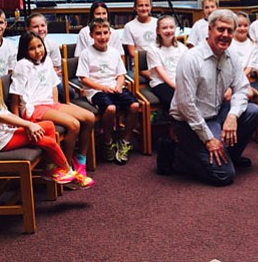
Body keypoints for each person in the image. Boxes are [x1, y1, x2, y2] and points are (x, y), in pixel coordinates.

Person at [159, 9, 258, 186]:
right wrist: (208, 139)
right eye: (221, 29)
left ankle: (229, 156)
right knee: (224, 175)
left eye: (230, 31)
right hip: (188, 123)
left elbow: (242, 89)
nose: (225, 35)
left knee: (254, 112)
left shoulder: (232, 57)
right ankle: (176, 154)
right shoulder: (191, 58)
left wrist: (232, 116)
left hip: (215, 114)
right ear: (209, 30)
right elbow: (186, 106)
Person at [0, 60, 77, 185]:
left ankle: (50, 168)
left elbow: (6, 114)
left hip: (4, 133)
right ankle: (68, 172)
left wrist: (25, 124)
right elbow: (1, 117)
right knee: (49, 142)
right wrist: (27, 124)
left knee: (48, 125)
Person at [10, 31, 95, 188]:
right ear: (24, 50)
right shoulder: (22, 65)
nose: (37, 51)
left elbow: (53, 86)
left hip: (50, 104)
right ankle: (66, 168)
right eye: (32, 48)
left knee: (89, 117)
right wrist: (18, 122)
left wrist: (58, 108)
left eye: (39, 46)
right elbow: (15, 96)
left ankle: (80, 160)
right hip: (34, 108)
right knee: (74, 124)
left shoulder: (47, 61)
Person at [77, 18, 141, 165]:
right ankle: (108, 141)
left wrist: (119, 86)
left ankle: (125, 141)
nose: (102, 36)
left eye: (105, 33)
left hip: (114, 87)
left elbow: (121, 75)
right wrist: (103, 88)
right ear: (91, 35)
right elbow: (83, 79)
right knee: (110, 108)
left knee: (135, 106)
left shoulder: (114, 52)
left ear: (110, 34)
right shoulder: (86, 54)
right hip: (96, 90)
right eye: (98, 33)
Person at [147, 14, 187, 114]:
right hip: (161, 83)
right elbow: (161, 73)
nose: (169, 31)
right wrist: (177, 87)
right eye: (164, 28)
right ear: (158, 31)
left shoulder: (182, 48)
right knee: (174, 101)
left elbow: (187, 69)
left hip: (179, 81)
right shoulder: (153, 49)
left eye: (171, 27)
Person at [229, 11, 258, 100]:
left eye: (245, 26)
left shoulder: (253, 45)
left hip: (243, 78)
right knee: (227, 95)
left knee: (249, 94)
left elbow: (250, 67)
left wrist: (240, 76)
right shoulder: (229, 43)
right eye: (239, 26)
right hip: (228, 78)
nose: (242, 28)